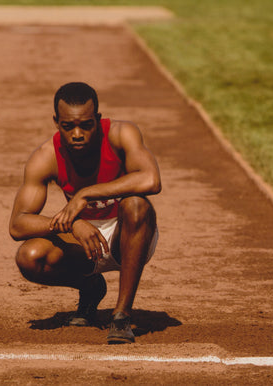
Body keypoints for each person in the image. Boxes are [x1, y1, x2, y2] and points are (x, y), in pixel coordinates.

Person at [9, 82, 161, 344]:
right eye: (68, 126)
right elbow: (18, 225)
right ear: (57, 122)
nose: (77, 134)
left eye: (86, 125)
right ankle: (90, 287)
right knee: (30, 256)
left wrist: (85, 194)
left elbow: (151, 180)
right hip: (83, 242)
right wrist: (72, 225)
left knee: (136, 204)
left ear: (98, 120)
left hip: (131, 232)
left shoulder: (121, 134)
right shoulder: (46, 156)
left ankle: (121, 316)